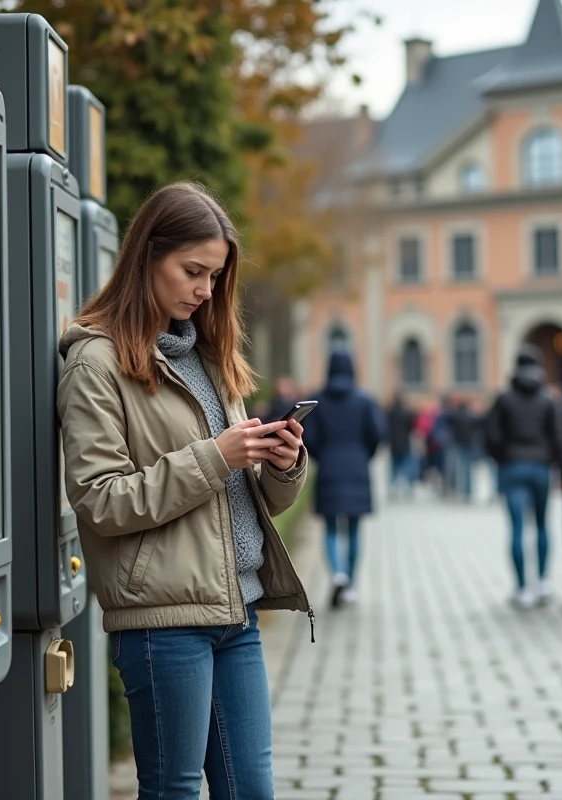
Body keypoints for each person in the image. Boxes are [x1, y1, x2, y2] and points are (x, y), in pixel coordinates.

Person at [56, 182, 311, 799]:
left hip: (237, 611)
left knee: (252, 790)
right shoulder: (95, 363)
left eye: (215, 276)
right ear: (147, 256)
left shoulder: (210, 354)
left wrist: (279, 465)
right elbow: (100, 498)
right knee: (173, 790)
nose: (205, 290)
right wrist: (215, 457)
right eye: (192, 271)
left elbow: (243, 500)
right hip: (162, 620)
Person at [303, 349, 385, 608]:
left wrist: (322, 456)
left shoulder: (316, 401)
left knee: (329, 528)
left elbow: (309, 438)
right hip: (358, 468)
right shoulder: (365, 401)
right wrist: (363, 456)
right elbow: (377, 435)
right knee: (354, 529)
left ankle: (337, 572)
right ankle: (350, 582)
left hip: (328, 468)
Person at [484, 347, 562, 608]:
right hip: (540, 467)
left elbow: (492, 436)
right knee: (542, 525)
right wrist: (554, 462)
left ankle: (521, 589)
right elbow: (558, 437)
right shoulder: (547, 399)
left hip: (513, 466)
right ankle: (542, 583)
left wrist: (503, 457)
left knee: (517, 528)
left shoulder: (504, 398)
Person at [444, 397, 479, 502]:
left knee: (456, 469)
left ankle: (458, 490)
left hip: (457, 444)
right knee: (468, 469)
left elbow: (448, 424)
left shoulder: (455, 416)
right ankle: (468, 491)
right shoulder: (472, 417)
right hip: (468, 444)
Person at [386, 393, 417, 499]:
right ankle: (407, 487)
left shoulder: (390, 413)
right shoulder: (406, 413)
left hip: (394, 443)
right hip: (405, 443)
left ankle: (393, 488)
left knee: (394, 467)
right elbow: (411, 427)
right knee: (406, 466)